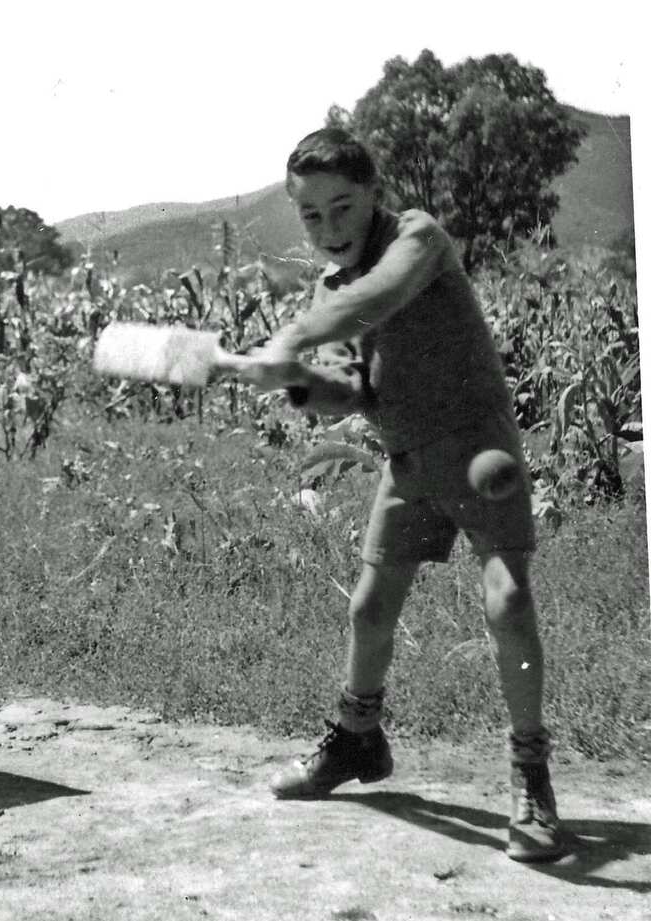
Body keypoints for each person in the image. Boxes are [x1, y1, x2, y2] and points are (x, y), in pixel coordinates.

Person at [246, 127, 565, 863]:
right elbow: (345, 394)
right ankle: (359, 739)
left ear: (376, 196)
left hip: (478, 446)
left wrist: (295, 336)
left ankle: (530, 772)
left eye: (343, 206)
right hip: (408, 457)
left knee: (507, 599)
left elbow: (376, 300)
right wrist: (299, 382)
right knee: (369, 607)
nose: (329, 229)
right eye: (312, 216)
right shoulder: (328, 288)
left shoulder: (416, 240)